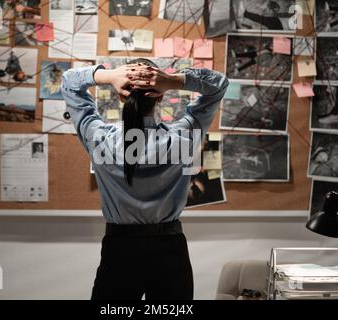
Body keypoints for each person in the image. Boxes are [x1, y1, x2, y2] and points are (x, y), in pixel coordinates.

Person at [61, 59, 228, 300]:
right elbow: (219, 85)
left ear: (121, 96)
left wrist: (109, 76)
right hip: (170, 250)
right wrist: (173, 80)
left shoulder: (100, 139)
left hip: (119, 249)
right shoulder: (183, 138)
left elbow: (69, 82)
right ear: (160, 96)